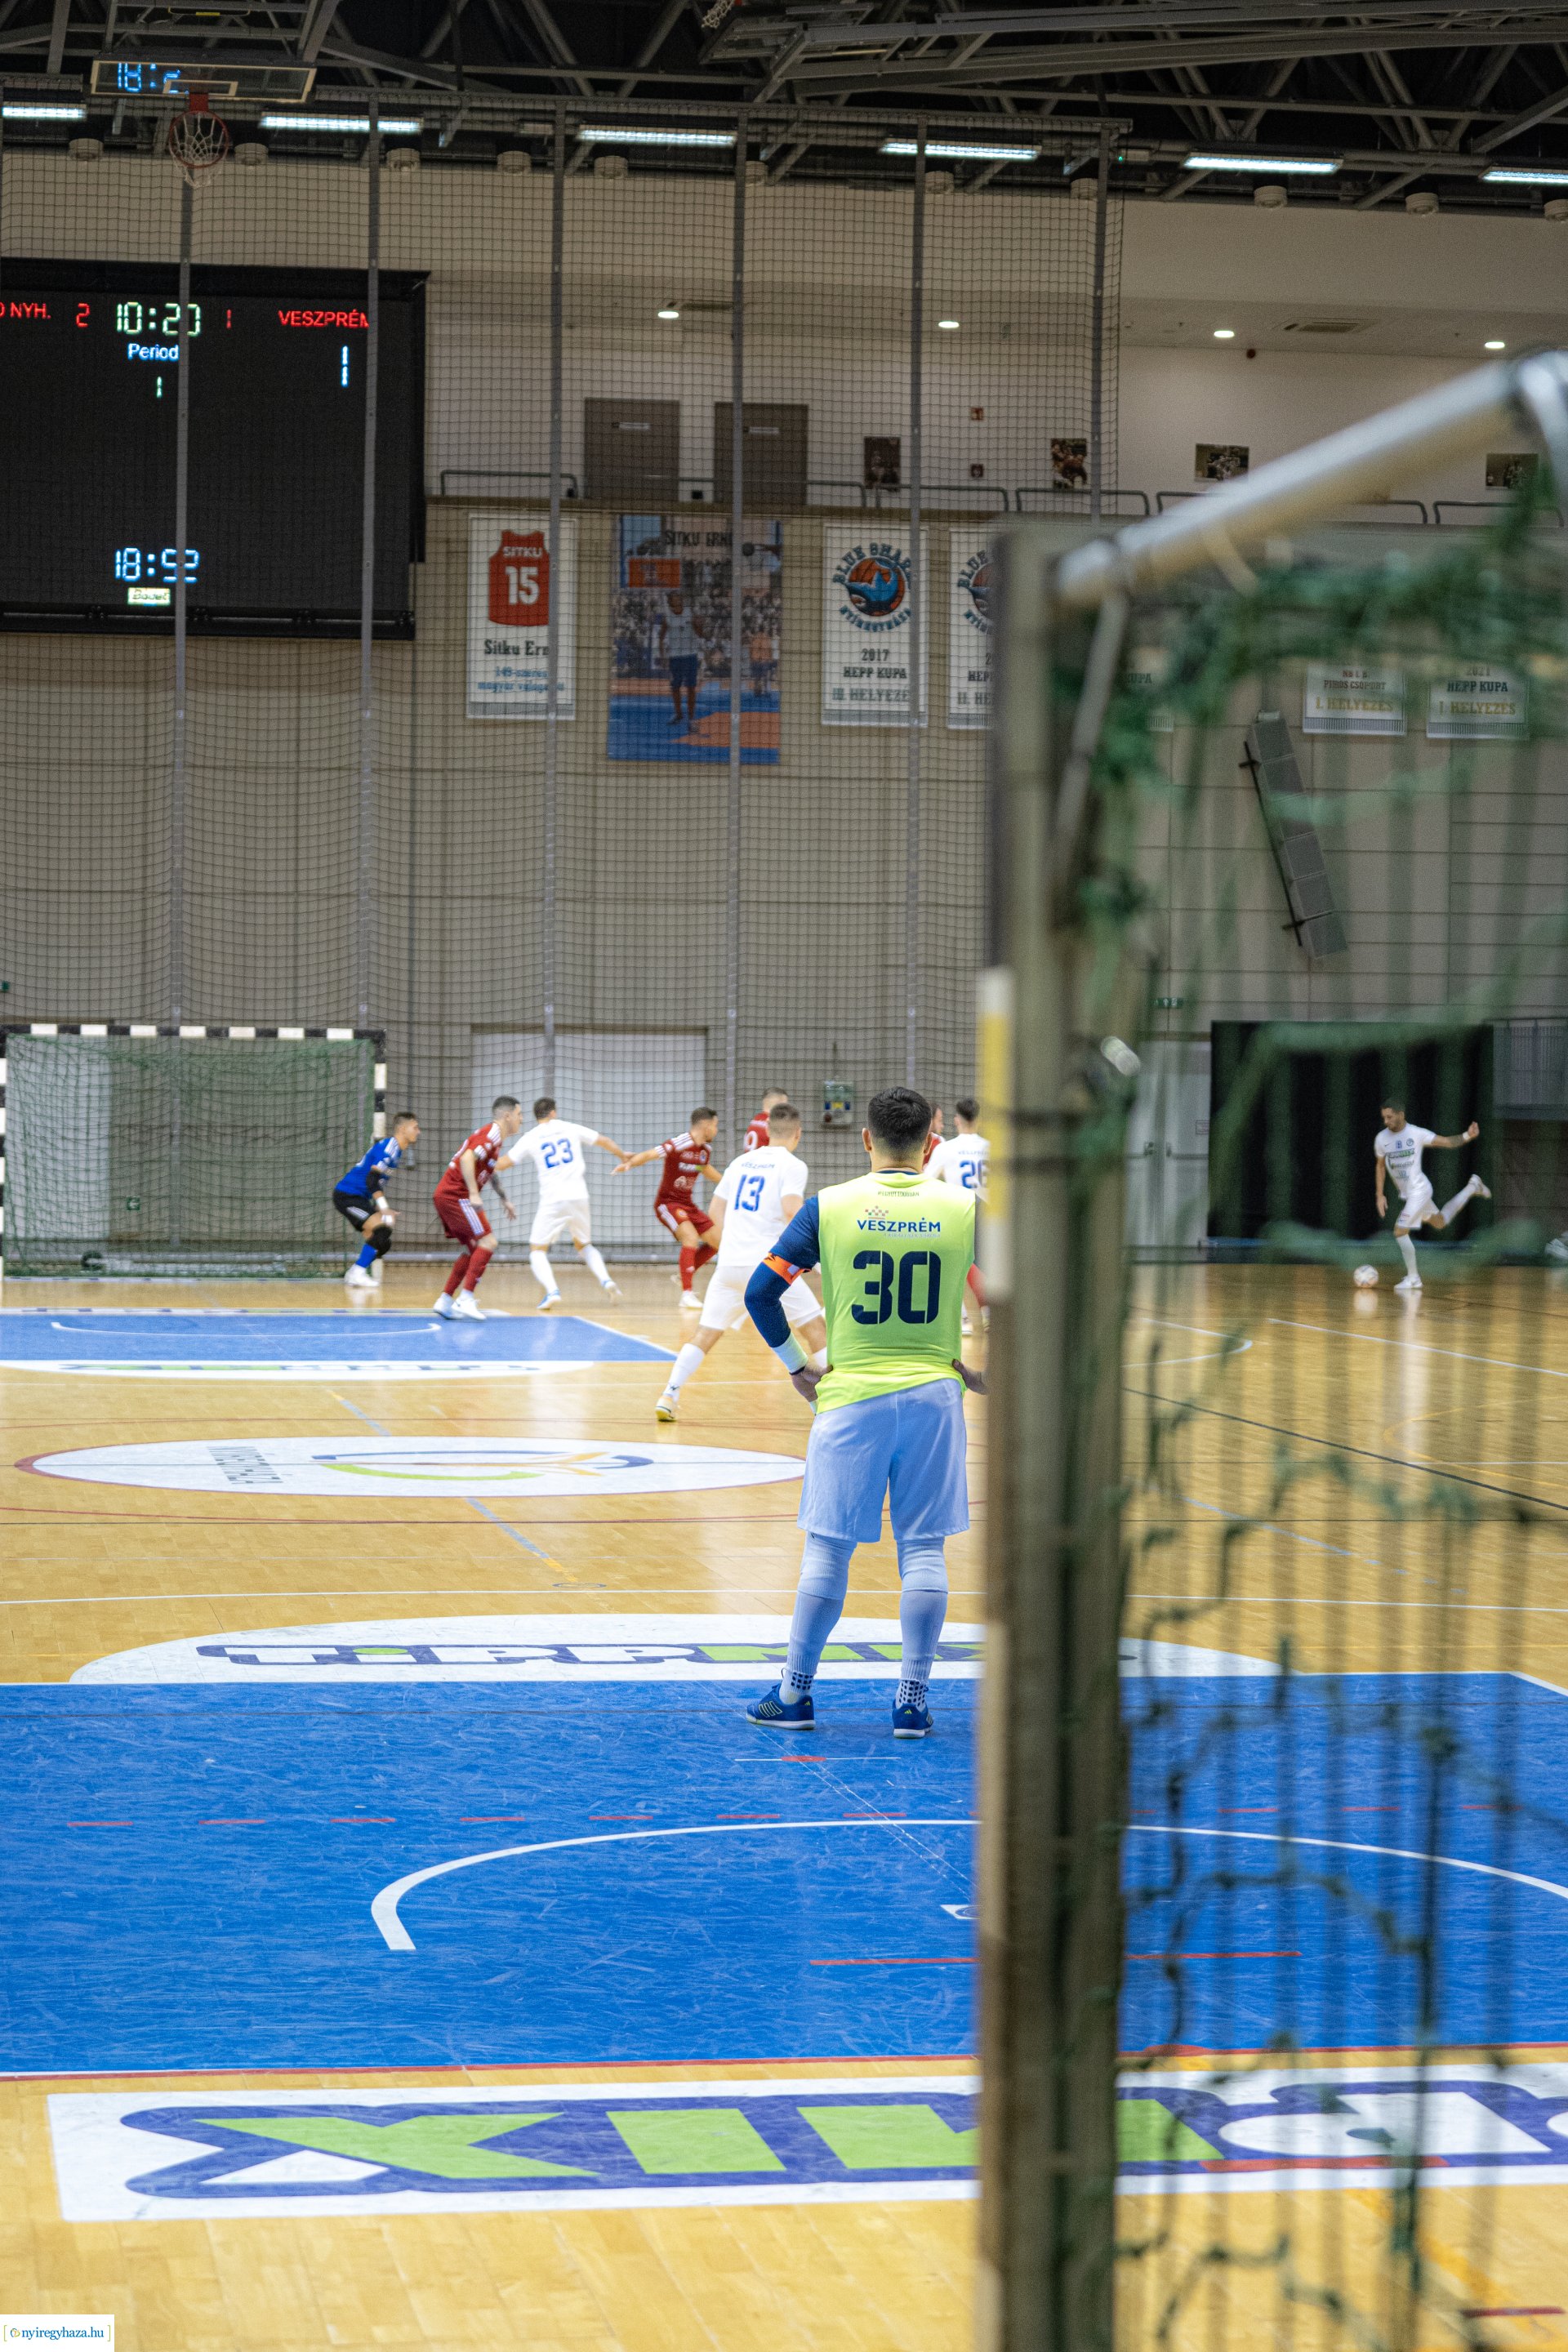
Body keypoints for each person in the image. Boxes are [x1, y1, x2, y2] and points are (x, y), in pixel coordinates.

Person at [742, 1083, 985, 1740]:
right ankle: (912, 1697)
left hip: (851, 1399)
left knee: (828, 1550)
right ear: (932, 1144)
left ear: (865, 1139)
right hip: (935, 1398)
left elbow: (761, 1293)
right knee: (925, 1550)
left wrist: (799, 1366)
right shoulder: (966, 1208)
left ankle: (794, 1694)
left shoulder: (829, 1208)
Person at [654, 1101, 826, 1422]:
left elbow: (715, 1214)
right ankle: (832, 1405)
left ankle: (669, 1393)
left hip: (730, 1265)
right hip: (770, 1266)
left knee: (705, 1334)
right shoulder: (792, 1165)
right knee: (816, 1328)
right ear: (798, 1134)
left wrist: (735, 1245)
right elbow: (792, 1211)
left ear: (767, 1130)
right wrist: (816, 1256)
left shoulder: (740, 1163)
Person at [504, 1096, 632, 1310]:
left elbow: (505, 1163)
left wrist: (484, 1160)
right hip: (579, 1196)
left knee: (537, 1250)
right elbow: (604, 1141)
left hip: (553, 1199)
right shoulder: (570, 1128)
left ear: (536, 1116)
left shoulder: (531, 1136)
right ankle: (607, 1282)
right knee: (584, 1245)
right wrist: (622, 1156)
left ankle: (552, 1291)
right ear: (553, 1112)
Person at [1375, 1097, 1490, 1292]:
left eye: (1390, 1117)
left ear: (1401, 1115)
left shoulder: (1416, 1133)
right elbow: (1380, 1166)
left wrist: (1467, 1136)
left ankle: (1413, 1279)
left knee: (1399, 1231)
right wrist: (1380, 1194)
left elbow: (1445, 1142)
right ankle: (1473, 1186)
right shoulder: (1381, 1138)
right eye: (1384, 1118)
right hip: (1410, 1194)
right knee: (1440, 1222)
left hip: (1420, 1190)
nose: (1386, 1121)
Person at [617, 1109, 721, 1310]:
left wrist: (728, 1182)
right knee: (690, 1238)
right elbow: (651, 1154)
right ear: (706, 1126)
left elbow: (704, 1169)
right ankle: (687, 1294)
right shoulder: (680, 1143)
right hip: (668, 1204)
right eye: (715, 1126)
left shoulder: (705, 1151)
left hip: (688, 1204)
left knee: (718, 1241)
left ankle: (683, 1274)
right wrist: (631, 1162)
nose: (716, 1130)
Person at [431, 1098, 523, 1321]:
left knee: (473, 1249)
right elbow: (467, 1158)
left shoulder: (496, 1140)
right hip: (456, 1195)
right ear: (507, 1116)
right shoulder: (492, 1132)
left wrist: (504, 1199)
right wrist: (473, 1193)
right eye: (519, 1115)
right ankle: (466, 1298)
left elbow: (490, 1171)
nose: (521, 1120)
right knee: (489, 1242)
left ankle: (445, 1300)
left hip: (447, 1195)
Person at [335, 1111, 418, 1290]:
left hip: (360, 1198)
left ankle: (356, 1272)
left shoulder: (396, 1152)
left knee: (382, 1241)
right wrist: (384, 1208)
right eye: (415, 1127)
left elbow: (374, 1183)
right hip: (347, 1196)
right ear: (403, 1129)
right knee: (382, 1231)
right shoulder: (390, 1148)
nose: (418, 1131)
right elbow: (371, 1180)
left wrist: (380, 1209)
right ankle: (357, 1272)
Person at [927, 1096, 990, 1334]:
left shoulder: (945, 1148)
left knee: (959, 1262)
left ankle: (965, 1314)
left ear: (957, 1120)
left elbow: (926, 1180)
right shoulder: (990, 1147)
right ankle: (985, 1312)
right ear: (979, 1120)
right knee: (985, 1262)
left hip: (958, 1211)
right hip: (986, 1212)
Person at [658, 588, 706, 735]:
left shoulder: (690, 613)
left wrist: (698, 624)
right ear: (671, 601)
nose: (679, 598)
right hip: (674, 657)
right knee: (675, 687)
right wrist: (662, 656)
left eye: (680, 596)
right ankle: (678, 714)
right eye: (675, 597)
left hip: (690, 656)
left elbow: (701, 634)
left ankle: (692, 720)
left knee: (691, 688)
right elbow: (661, 637)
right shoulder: (668, 617)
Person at [744, 1087, 791, 1155]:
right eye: (785, 1105)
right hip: (764, 1164)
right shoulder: (774, 1125)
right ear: (780, 1105)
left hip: (747, 1163)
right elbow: (780, 1155)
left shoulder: (755, 1120)